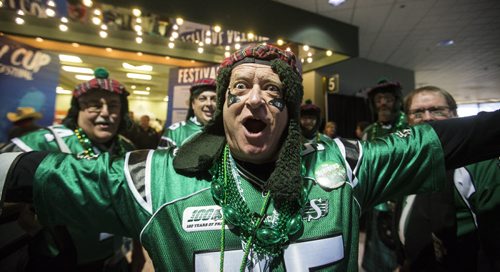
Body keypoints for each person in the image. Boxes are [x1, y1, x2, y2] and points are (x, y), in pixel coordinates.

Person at [0, 44, 499, 271]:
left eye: (272, 90)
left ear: (287, 110)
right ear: (224, 108)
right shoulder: (153, 177)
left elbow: (454, 140)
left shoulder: (346, 164)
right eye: (240, 87)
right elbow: (36, 174)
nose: (255, 99)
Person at [0, 68, 144, 271]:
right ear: (78, 109)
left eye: (113, 106)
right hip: (58, 261)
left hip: (113, 258)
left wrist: (137, 250)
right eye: (94, 105)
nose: (105, 113)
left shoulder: (127, 148)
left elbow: (136, 206)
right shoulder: (46, 141)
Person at [395, 86, 500, 271]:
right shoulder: (408, 165)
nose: (427, 117)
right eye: (418, 113)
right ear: (409, 121)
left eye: (436, 110)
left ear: (454, 114)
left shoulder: (477, 164)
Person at [361, 79, 408, 272]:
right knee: (377, 250)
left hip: (404, 198)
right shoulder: (369, 132)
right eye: (378, 99)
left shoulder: (409, 126)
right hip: (377, 201)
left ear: (397, 101)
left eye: (387, 99)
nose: (382, 103)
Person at [158, 78, 216, 148]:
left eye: (214, 99)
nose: (209, 103)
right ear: (193, 104)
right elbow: (162, 158)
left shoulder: (226, 131)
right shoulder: (175, 133)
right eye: (202, 99)